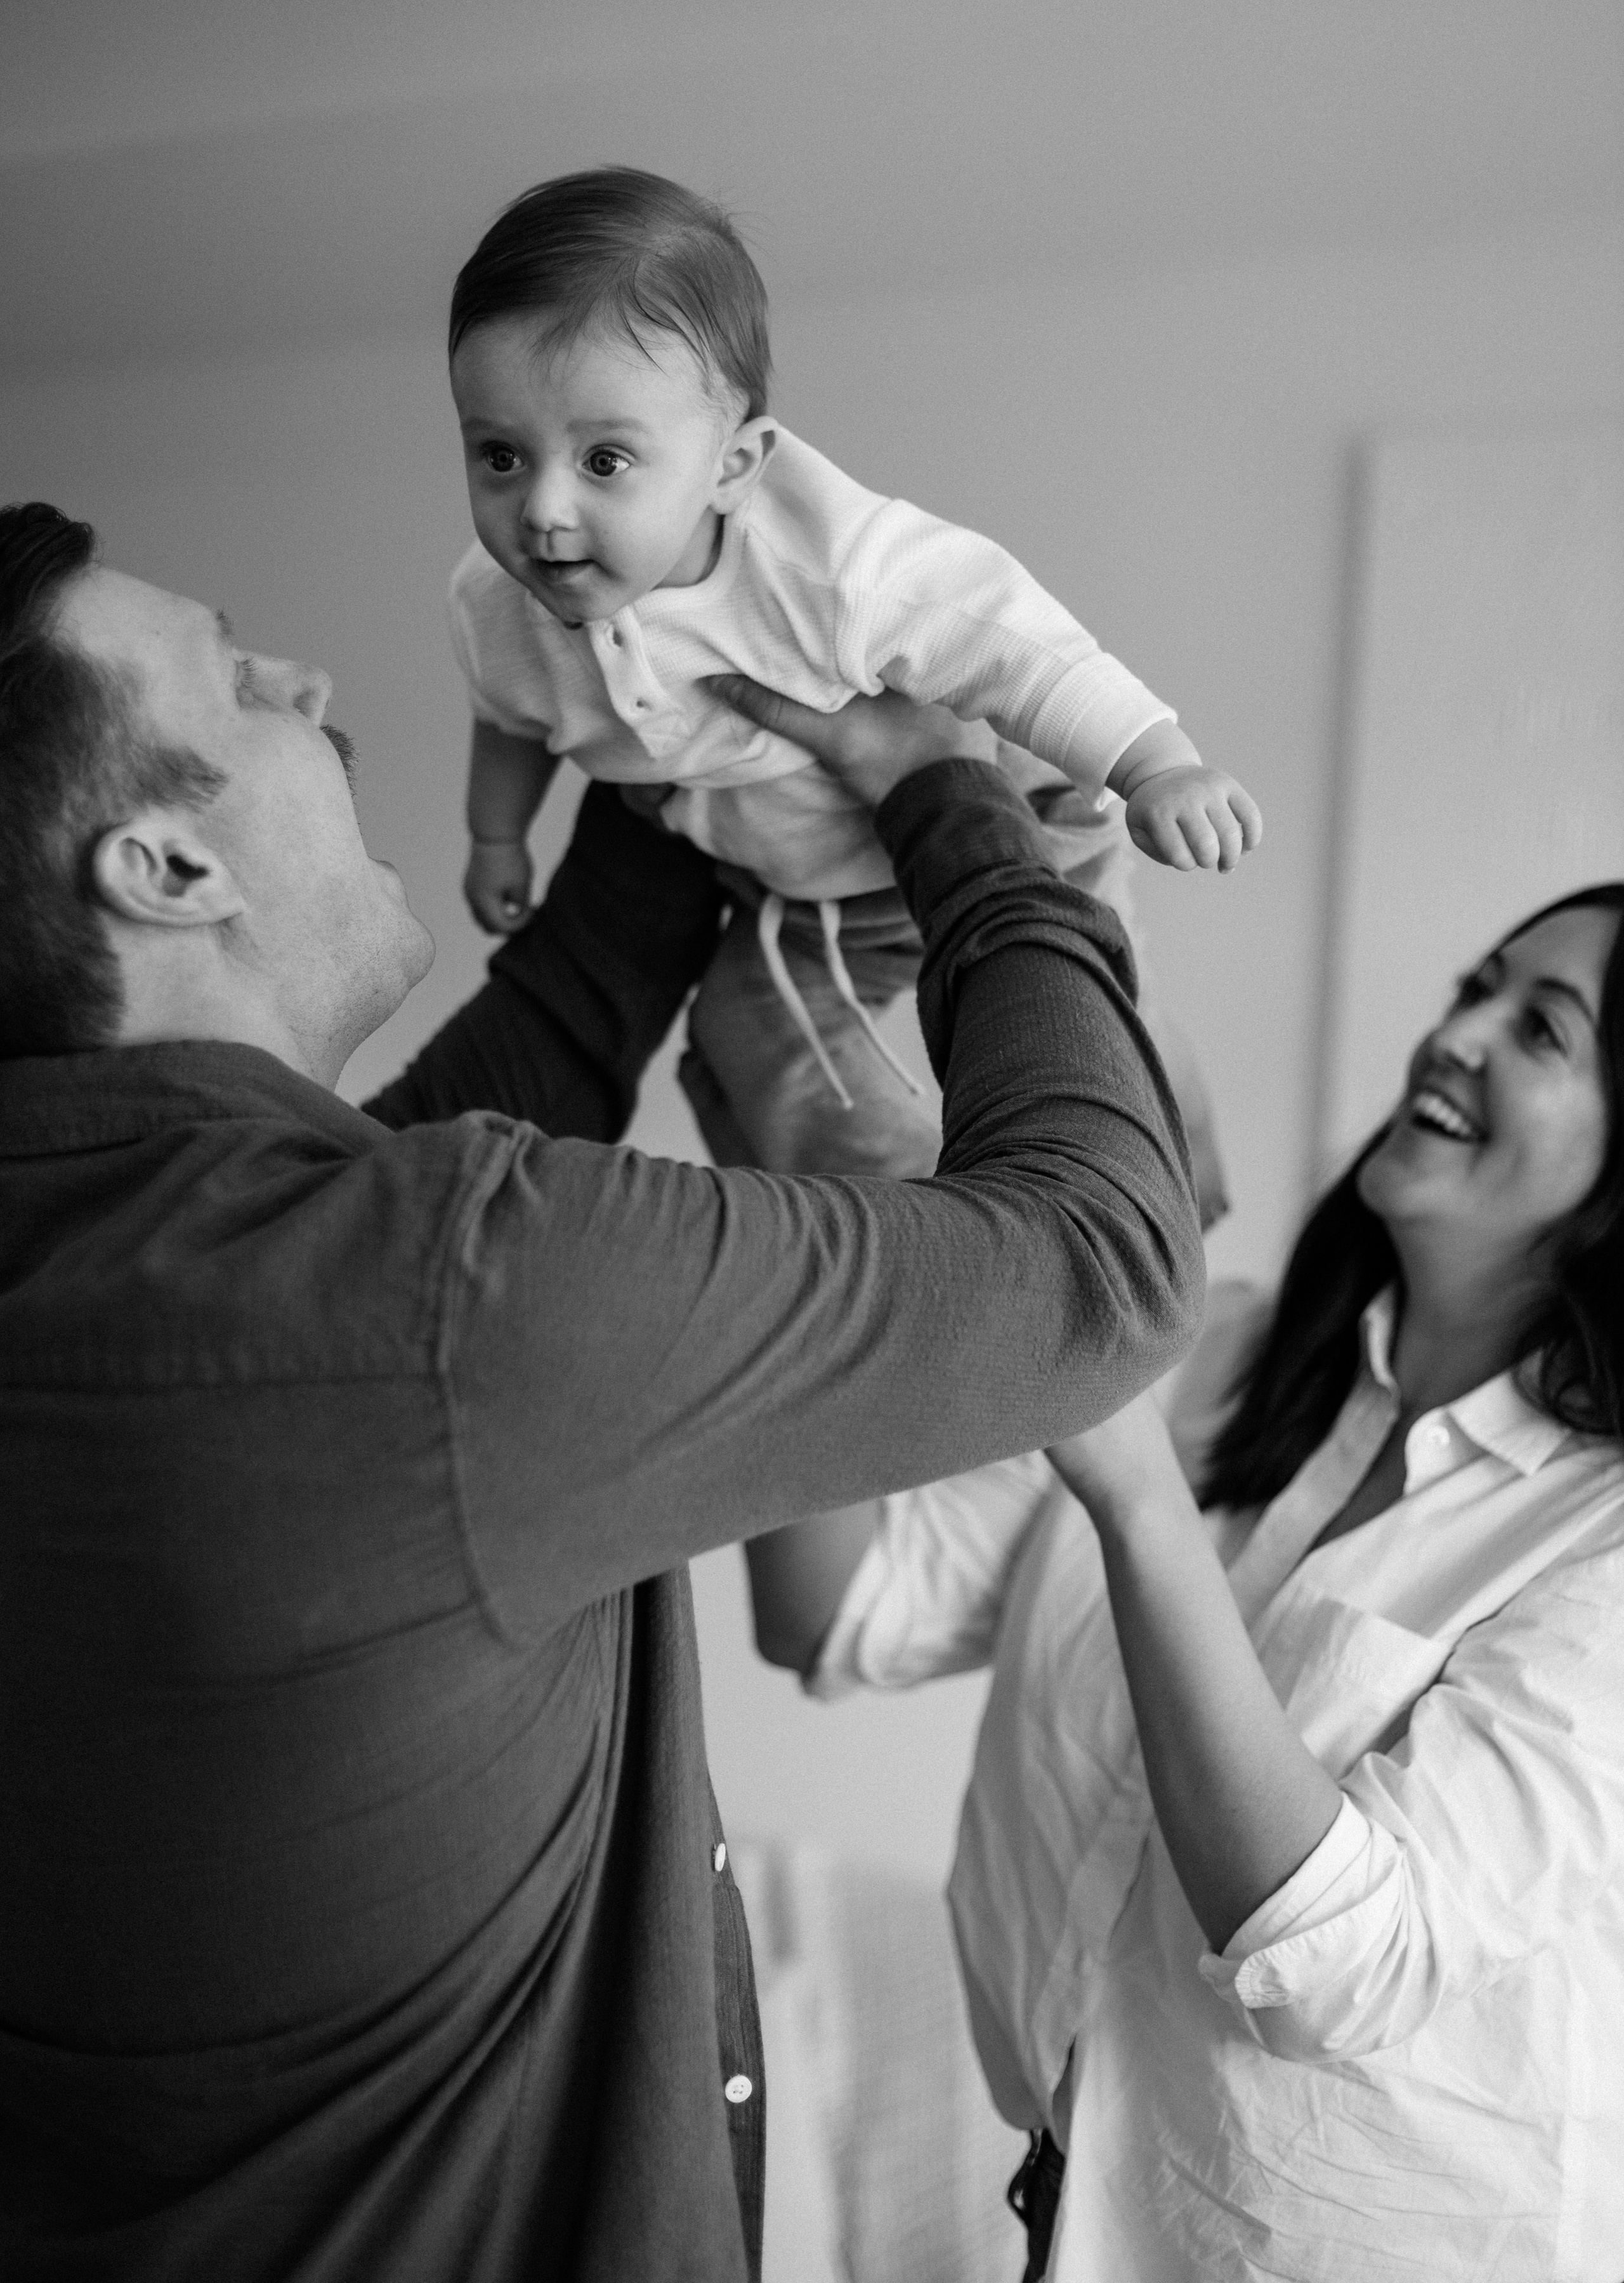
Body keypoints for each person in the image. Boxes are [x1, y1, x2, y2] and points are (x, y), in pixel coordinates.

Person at [0, 502, 1203, 2283]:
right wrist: (953, 805)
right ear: (169, 872)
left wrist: (679, 758)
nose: (306, 676)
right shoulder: (427, 1303)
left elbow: (517, 1069)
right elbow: (1099, 1268)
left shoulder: (153, 1275)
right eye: (240, 682)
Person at [750, 883, 1624, 2280]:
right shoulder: (1219, 1355)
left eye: (1540, 1030)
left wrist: (1134, 1492)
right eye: (1474, 983)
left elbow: (1340, 1959)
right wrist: (812, 1205)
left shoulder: (1601, 1545)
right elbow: (837, 1605)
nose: (1454, 1032)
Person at [445, 164, 1259, 1179]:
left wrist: (1158, 765)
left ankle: (1146, 1192)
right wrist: (496, 835)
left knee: (1088, 1003)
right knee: (742, 1043)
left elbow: (1014, 642)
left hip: (1005, 818)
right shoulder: (496, 602)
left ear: (733, 468)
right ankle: (896, 1226)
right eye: (500, 456)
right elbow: (510, 716)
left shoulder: (834, 569)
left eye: (605, 461)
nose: (542, 511)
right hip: (806, 893)